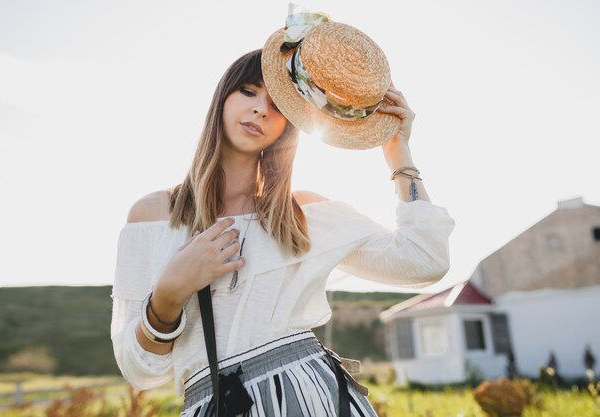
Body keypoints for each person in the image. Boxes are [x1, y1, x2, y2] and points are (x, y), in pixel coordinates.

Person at [111, 28, 454, 417]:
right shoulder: (154, 215)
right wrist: (169, 294)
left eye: (277, 105)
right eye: (248, 91)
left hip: (315, 397)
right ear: (222, 97)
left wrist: (398, 153)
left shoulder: (303, 214)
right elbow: (139, 369)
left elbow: (426, 262)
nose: (260, 109)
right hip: (219, 402)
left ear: (291, 124)